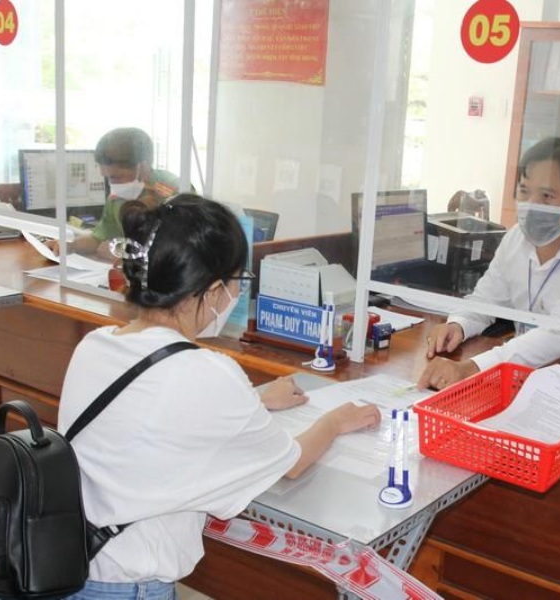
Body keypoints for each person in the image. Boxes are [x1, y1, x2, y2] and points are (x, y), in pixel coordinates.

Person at [57, 193, 380, 599]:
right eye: (235, 283)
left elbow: (153, 412)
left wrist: (256, 398)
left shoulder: (95, 345)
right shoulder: (206, 371)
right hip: (128, 587)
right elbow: (292, 463)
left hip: (66, 568)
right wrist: (334, 421)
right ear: (211, 291)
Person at [418, 137, 560, 390]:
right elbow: (487, 299)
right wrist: (458, 324)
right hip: (527, 377)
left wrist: (473, 367)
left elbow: (558, 334)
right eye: (525, 191)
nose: (532, 205)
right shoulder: (517, 238)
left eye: (547, 195)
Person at [47, 127, 179, 260]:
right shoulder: (117, 198)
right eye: (107, 177)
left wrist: (124, 254)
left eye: (116, 177)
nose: (113, 185)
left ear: (143, 167)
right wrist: (70, 246)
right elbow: (98, 237)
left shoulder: (174, 193)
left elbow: (181, 251)